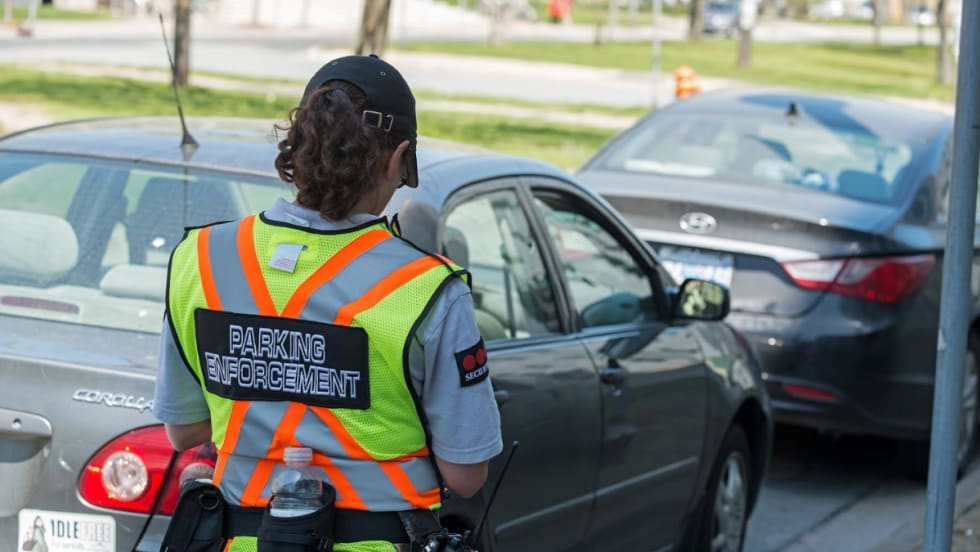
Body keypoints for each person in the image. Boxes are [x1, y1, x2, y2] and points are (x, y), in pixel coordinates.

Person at [154, 54, 503, 551]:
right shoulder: (428, 288)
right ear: (395, 158)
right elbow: (465, 475)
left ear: (298, 145)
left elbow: (185, 429)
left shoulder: (201, 259)